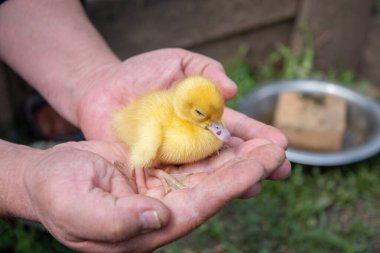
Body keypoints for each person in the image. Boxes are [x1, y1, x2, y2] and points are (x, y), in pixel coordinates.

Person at [0, 0, 291, 252]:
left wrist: (93, 78)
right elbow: (147, 138)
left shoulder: (194, 116)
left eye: (214, 118)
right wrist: (19, 178)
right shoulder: (163, 121)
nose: (217, 127)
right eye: (204, 115)